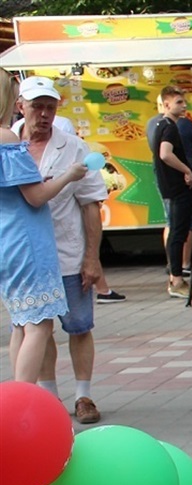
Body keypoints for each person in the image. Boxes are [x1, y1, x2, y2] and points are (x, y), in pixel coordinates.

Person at [15, 76, 109, 425]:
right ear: (20, 106)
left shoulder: (74, 147)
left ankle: (83, 395)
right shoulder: (8, 144)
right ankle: (48, 396)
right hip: (25, 257)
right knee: (35, 328)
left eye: (50, 108)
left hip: (67, 252)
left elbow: (90, 205)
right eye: (37, 106)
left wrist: (92, 257)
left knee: (79, 325)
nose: (43, 114)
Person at [0, 72, 89, 384]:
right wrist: (69, 176)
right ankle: (20, 398)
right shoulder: (7, 138)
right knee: (39, 324)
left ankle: (17, 395)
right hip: (27, 241)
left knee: (22, 322)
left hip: (5, 237)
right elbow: (35, 197)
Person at [147, 84, 192, 300]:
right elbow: (165, 154)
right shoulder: (170, 127)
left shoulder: (159, 125)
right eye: (179, 102)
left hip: (170, 186)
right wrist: (186, 170)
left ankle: (176, 278)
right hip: (176, 187)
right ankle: (176, 280)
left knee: (176, 232)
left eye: (183, 101)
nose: (184, 106)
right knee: (178, 233)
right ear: (165, 105)